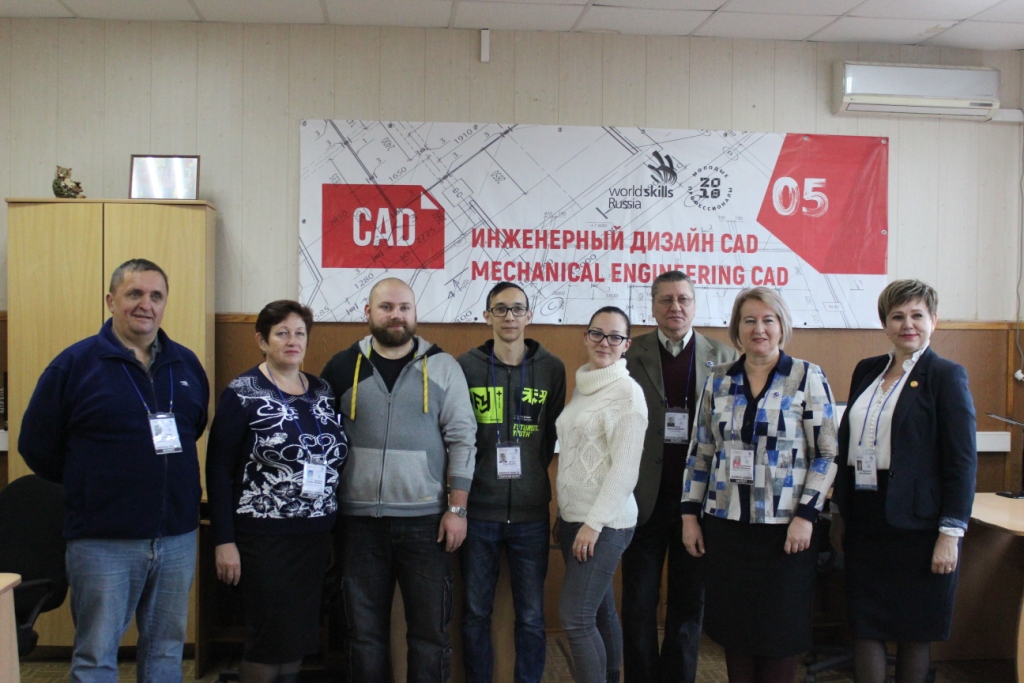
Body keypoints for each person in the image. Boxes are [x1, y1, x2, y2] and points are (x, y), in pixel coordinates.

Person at [19, 259, 210, 683]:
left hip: (176, 537)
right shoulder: (75, 365)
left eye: (156, 296)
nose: (146, 304)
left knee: (166, 651)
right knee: (97, 655)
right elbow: (36, 445)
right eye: (134, 294)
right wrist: (91, 483)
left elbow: (194, 427)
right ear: (110, 300)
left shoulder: (186, 364)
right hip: (103, 540)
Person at [320, 277, 477, 683]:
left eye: (404, 307)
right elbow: (320, 440)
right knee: (363, 637)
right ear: (368, 313)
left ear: (415, 313)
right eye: (386, 307)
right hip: (357, 524)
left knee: (430, 636)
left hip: (426, 523)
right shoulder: (341, 367)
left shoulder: (443, 367)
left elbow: (463, 440)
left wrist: (457, 509)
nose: (396, 315)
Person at [681, 286, 838, 683]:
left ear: (782, 325)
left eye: (768, 320)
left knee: (778, 634)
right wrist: (689, 516)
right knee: (736, 632)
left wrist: (806, 515)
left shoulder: (807, 376)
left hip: (786, 532)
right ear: (737, 328)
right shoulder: (718, 379)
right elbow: (701, 451)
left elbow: (826, 453)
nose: (759, 329)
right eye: (749, 320)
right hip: (726, 526)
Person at [830, 280, 976, 683]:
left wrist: (951, 533)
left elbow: (962, 462)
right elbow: (847, 444)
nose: (907, 324)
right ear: (884, 324)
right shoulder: (867, 370)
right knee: (865, 625)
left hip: (920, 527)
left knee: (914, 631)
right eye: (897, 316)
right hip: (865, 517)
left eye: (917, 315)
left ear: (934, 321)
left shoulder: (946, 375)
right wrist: (840, 512)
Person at [206, 300, 348, 683]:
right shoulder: (243, 392)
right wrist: (224, 541)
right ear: (262, 340)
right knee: (269, 640)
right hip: (264, 538)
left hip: (314, 538)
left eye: (299, 333)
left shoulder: (321, 390)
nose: (292, 341)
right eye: (282, 333)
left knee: (296, 639)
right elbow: (218, 470)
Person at [622, 270, 737, 683]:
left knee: (689, 606)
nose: (676, 307)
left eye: (683, 299)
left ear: (694, 304)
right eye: (666, 300)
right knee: (638, 603)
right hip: (643, 499)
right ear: (652, 306)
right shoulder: (629, 353)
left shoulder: (724, 356)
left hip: (698, 504)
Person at [457, 282, 566, 683]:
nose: (509, 317)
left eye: (517, 309)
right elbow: (460, 437)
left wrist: (530, 479)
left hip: (530, 513)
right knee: (475, 613)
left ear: (529, 316)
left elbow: (550, 437)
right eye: (500, 309)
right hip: (478, 513)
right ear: (486, 316)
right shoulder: (465, 366)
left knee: (533, 616)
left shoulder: (552, 368)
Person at [556, 306, 648, 683]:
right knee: (599, 612)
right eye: (597, 333)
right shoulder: (585, 384)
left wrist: (593, 524)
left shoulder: (627, 393)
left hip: (604, 524)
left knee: (575, 618)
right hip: (573, 520)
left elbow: (625, 470)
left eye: (615, 337)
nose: (604, 343)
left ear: (626, 345)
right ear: (586, 336)